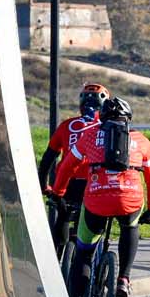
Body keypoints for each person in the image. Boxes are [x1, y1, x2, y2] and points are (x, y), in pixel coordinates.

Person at [51, 96, 150, 297]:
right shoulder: (142, 141)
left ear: (102, 118)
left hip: (96, 200)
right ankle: (123, 279)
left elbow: (67, 166)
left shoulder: (90, 135)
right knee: (130, 226)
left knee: (84, 252)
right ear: (128, 119)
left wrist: (58, 193)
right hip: (129, 199)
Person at [39, 83, 110, 261]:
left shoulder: (66, 126)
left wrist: (44, 185)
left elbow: (48, 159)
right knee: (86, 223)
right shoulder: (107, 127)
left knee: (63, 215)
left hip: (66, 183)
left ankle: (55, 258)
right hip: (93, 184)